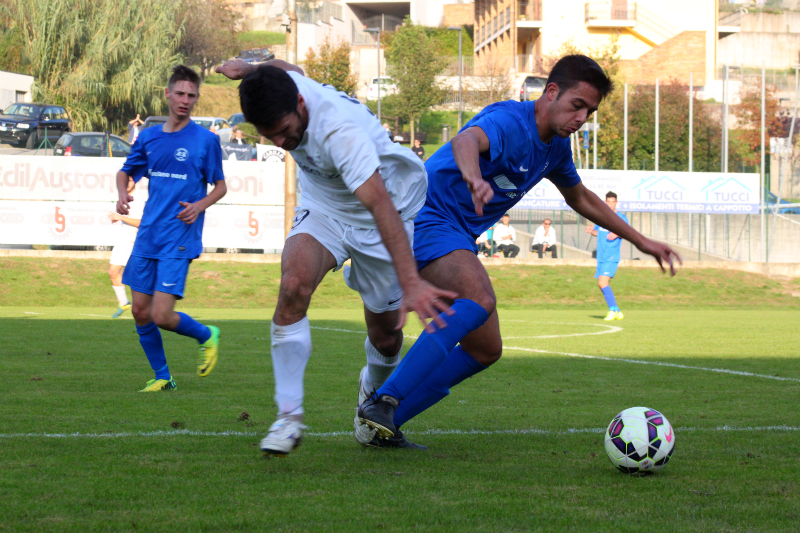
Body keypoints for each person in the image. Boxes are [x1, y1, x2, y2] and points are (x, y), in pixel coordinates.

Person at [358, 54, 681, 443]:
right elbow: (465, 141)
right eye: (577, 105)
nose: (581, 118)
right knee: (479, 298)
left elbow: (579, 196)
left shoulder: (556, 147)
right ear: (551, 92)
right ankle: (384, 399)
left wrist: (641, 240)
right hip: (425, 216)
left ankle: (384, 427)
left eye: (590, 112)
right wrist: (474, 178)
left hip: (455, 232)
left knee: (484, 348)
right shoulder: (511, 121)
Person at [215, 58, 456, 456]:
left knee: (386, 334)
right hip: (325, 204)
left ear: (302, 106)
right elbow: (286, 66)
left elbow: (380, 207)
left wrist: (411, 281)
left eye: (285, 132)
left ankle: (373, 389)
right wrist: (251, 68)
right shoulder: (284, 89)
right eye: (268, 135)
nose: (279, 142)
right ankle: (288, 417)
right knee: (292, 286)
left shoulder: (339, 133)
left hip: (385, 207)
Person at [115, 65, 227, 393]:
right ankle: (163, 376)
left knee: (161, 315)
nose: (185, 100)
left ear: (196, 99)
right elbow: (125, 172)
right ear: (167, 94)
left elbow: (220, 187)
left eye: (191, 95)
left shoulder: (206, 140)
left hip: (179, 236)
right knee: (139, 311)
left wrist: (199, 205)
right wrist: (123, 194)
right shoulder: (148, 137)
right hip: (148, 234)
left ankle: (207, 336)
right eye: (180, 93)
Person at [585, 191, 628, 320]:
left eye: (612, 201)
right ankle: (617, 311)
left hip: (611, 256)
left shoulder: (621, 217)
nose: (610, 204)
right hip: (601, 256)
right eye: (608, 201)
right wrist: (591, 231)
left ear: (616, 202)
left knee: (603, 282)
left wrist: (618, 233)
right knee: (601, 283)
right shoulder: (601, 217)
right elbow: (598, 233)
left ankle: (614, 310)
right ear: (605, 202)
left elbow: (627, 232)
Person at [108, 176, 144, 318]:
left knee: (138, 277)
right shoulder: (126, 197)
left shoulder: (138, 199)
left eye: (129, 181)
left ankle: (151, 305)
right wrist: (119, 217)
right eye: (125, 181)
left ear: (134, 181)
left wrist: (120, 217)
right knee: (113, 272)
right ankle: (124, 302)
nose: (127, 184)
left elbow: (141, 222)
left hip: (134, 242)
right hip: (124, 240)